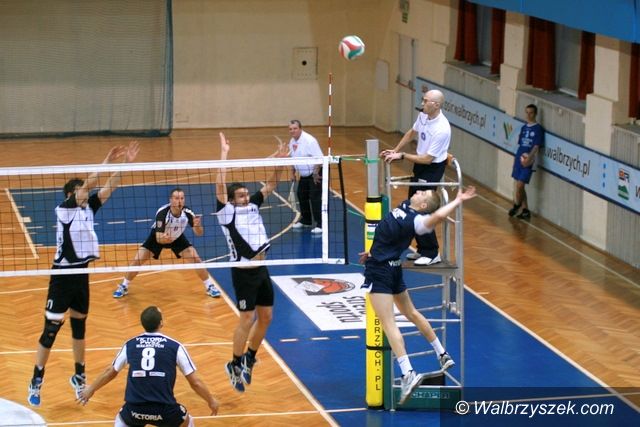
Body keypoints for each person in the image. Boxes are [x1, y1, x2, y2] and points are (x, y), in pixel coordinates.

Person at [27, 141, 140, 407]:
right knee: (50, 332)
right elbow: (90, 184)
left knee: (79, 328)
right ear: (71, 194)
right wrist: (106, 161)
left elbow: (109, 187)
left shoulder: (88, 207)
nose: (85, 195)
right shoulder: (65, 209)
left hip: (81, 275)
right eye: (81, 192)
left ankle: (79, 375)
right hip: (62, 277)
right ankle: (36, 379)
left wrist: (125, 164)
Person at [359, 185, 476, 404]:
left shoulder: (417, 221)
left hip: (381, 271)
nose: (419, 191)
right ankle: (442, 353)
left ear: (423, 205)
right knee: (411, 313)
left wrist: (458, 200)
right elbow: (389, 234)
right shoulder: (407, 206)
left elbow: (436, 217)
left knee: (389, 324)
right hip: (391, 266)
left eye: (423, 194)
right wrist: (374, 251)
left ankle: (408, 373)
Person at [215, 132, 287, 393]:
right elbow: (219, 186)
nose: (246, 198)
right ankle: (234, 364)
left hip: (261, 270)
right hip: (243, 272)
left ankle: (250, 357)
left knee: (266, 316)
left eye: (246, 194)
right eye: (241, 196)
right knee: (247, 318)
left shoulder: (254, 205)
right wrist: (224, 154)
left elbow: (272, 183)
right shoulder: (227, 213)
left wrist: (281, 162)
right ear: (232, 200)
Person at [77, 306, 219, 426]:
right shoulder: (175, 346)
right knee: (188, 422)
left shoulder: (131, 344)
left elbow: (110, 371)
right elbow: (195, 382)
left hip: (134, 410)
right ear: (161, 323)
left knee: (120, 420)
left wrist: (91, 389)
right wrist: (211, 400)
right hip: (165, 410)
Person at [381, 89, 451, 266]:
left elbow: (428, 159)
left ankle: (432, 252)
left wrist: (403, 156)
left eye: (425, 101)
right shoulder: (423, 115)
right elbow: (412, 132)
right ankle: (422, 249)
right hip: (420, 165)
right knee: (413, 206)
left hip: (432, 168)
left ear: (436, 105)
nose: (422, 103)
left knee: (423, 208)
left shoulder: (442, 129)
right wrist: (395, 150)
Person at [112, 188, 221, 299]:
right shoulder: (162, 213)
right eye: (176, 198)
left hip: (177, 237)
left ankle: (209, 286)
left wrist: (197, 226)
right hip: (158, 237)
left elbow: (199, 233)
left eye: (182, 198)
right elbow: (158, 238)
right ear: (171, 200)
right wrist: (164, 239)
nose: (179, 201)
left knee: (196, 259)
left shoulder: (188, 213)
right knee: (137, 260)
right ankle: (124, 286)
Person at [509, 104, 544, 220]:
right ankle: (525, 210)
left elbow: (536, 146)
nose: (529, 115)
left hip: (528, 161)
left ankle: (517, 205)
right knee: (519, 185)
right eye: (527, 112)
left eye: (531, 113)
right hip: (519, 158)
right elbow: (521, 144)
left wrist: (529, 158)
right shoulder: (524, 127)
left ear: (535, 114)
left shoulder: (538, 129)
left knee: (520, 185)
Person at [288, 119, 323, 234]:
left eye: (295, 128)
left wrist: (316, 173)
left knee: (315, 198)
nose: (292, 131)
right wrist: (292, 172)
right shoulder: (292, 141)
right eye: (290, 129)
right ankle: (306, 220)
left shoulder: (310, 141)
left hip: (315, 173)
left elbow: (320, 158)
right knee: (301, 195)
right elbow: (292, 158)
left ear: (300, 129)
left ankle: (321, 224)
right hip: (304, 174)